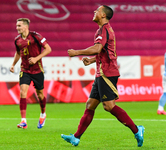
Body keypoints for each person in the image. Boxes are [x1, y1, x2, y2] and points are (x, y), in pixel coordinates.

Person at [61, 5, 145, 147]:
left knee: (109, 106)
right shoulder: (102, 30)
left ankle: (137, 130)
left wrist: (77, 52)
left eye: (97, 11)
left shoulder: (104, 30)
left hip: (107, 73)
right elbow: (107, 52)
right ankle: (76, 137)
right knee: (90, 105)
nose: (94, 12)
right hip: (101, 72)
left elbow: (98, 48)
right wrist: (93, 60)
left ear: (103, 15)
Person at [10, 18, 52, 129]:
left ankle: (43, 114)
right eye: (17, 25)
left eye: (19, 26)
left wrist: (36, 58)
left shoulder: (36, 37)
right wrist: (13, 64)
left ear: (25, 26)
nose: (17, 28)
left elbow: (48, 49)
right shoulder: (17, 40)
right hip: (25, 70)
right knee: (23, 92)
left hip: (37, 70)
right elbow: (18, 53)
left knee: (40, 94)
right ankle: (23, 121)